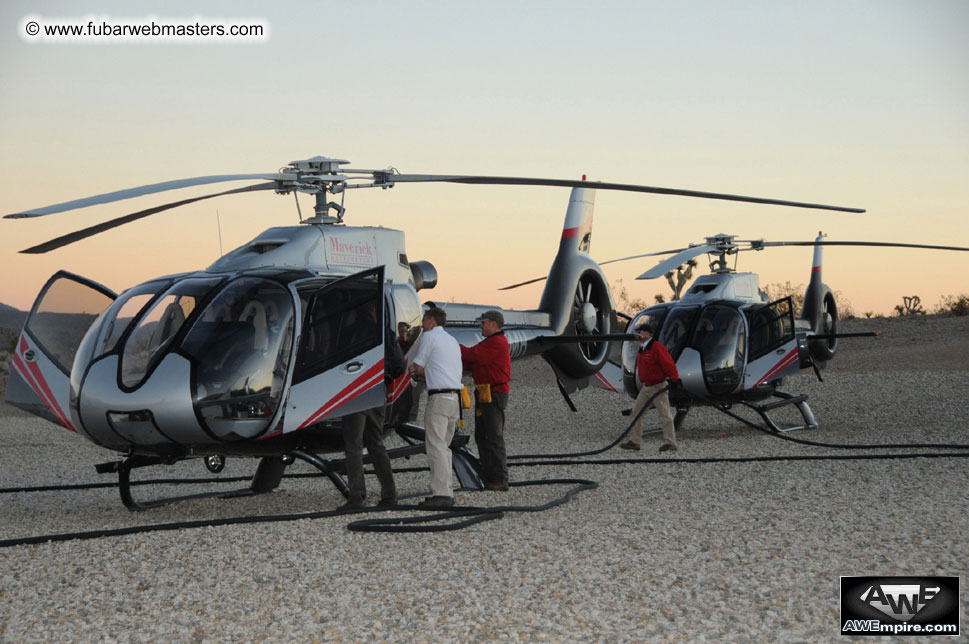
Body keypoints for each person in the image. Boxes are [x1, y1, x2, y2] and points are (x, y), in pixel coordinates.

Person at [337, 302, 405, 510]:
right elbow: (400, 365)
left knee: (354, 444)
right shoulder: (386, 333)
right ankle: (389, 494)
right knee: (376, 442)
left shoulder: (349, 332)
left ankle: (357, 496)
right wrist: (385, 378)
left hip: (357, 389)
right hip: (379, 389)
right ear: (374, 311)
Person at [409, 307, 463, 507]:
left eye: (423, 320)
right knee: (444, 446)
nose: (422, 325)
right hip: (454, 398)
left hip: (439, 398)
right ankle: (447, 490)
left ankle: (441, 494)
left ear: (431, 320)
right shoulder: (451, 340)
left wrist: (415, 373)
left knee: (435, 445)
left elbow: (418, 367)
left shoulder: (429, 337)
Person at [460, 310, 511, 491]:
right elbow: (473, 361)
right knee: (482, 435)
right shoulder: (490, 343)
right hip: (485, 394)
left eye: (483, 322)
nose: (481, 325)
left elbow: (472, 356)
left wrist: (449, 345)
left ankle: (499, 478)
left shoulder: (496, 343)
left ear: (493, 324)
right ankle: (490, 475)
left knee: (493, 436)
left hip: (493, 394)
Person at [620, 321, 681, 452]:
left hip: (658, 387)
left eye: (641, 332)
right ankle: (635, 442)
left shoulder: (657, 348)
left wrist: (674, 379)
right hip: (646, 387)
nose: (639, 335)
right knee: (635, 413)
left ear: (647, 334)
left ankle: (671, 443)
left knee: (665, 415)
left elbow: (668, 364)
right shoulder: (642, 348)